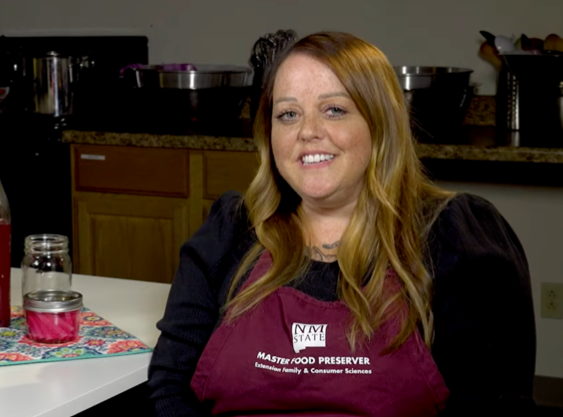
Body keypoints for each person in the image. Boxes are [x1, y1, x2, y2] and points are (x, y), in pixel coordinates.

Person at [147, 32, 536, 416]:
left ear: (380, 122)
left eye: (334, 109)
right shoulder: (231, 232)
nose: (307, 131)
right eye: (288, 114)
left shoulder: (454, 239)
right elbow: (170, 387)